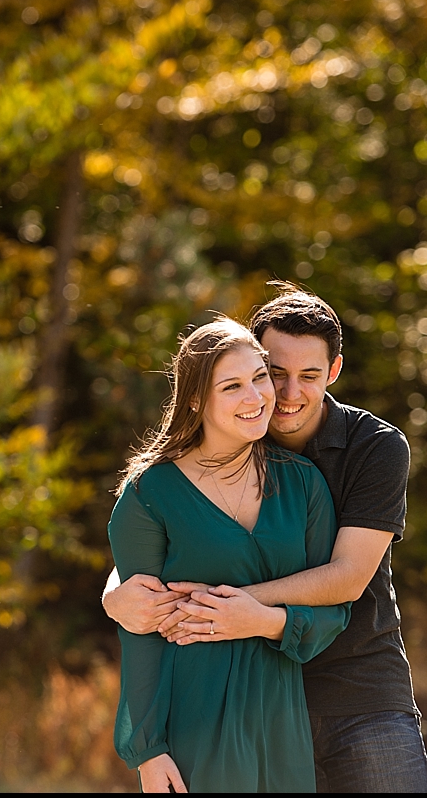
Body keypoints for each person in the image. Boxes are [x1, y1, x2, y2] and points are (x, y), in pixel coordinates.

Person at [104, 284, 427, 792]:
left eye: (309, 376)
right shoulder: (227, 434)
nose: (284, 393)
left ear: (334, 372)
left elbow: (346, 577)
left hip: (358, 692)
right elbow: (161, 536)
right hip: (254, 699)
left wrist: (230, 609)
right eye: (273, 373)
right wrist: (116, 595)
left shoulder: (370, 449)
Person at [108, 316, 351, 793]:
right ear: (196, 398)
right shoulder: (149, 493)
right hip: (192, 720)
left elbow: (332, 611)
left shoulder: (304, 484)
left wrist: (262, 619)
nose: (256, 397)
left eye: (260, 377)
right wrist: (149, 752)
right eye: (233, 386)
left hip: (280, 721)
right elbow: (139, 631)